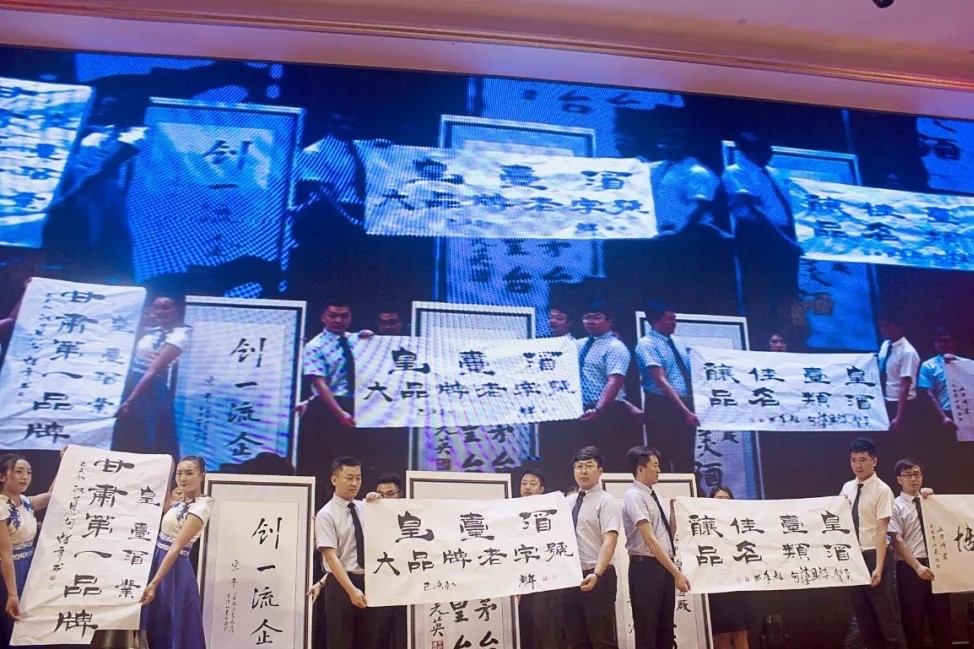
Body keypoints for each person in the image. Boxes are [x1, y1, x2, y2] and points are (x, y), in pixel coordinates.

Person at [722, 131, 801, 346]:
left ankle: (793, 339)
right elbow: (754, 209)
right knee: (760, 290)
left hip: (785, 234)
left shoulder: (776, 174)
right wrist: (784, 239)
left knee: (788, 290)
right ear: (746, 150)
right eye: (760, 148)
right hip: (758, 235)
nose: (767, 152)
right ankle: (762, 340)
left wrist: (793, 236)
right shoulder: (736, 172)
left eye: (768, 148)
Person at [141, 455, 214, 649]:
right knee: (158, 623)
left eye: (189, 473)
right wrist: (167, 470)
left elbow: (175, 548)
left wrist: (154, 583)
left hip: (174, 569)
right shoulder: (182, 503)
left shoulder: (200, 507)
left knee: (172, 625)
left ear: (202, 475)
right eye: (179, 473)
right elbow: (165, 505)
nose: (183, 478)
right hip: (160, 562)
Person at [840, 438, 905, 649]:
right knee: (864, 621)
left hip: (875, 555)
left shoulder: (882, 489)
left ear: (874, 461)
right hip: (854, 558)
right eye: (854, 460)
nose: (858, 465)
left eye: (863, 460)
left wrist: (878, 566)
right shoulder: (847, 488)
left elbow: (881, 529)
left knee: (887, 619)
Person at [622, 446, 690, 649]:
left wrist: (673, 513)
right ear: (640, 469)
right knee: (647, 630)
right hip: (646, 568)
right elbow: (650, 541)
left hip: (663, 567)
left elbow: (666, 535)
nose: (659, 470)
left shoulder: (654, 495)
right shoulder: (634, 496)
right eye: (655, 465)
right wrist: (677, 573)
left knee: (665, 629)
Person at [113, 295, 191, 459]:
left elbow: (153, 370)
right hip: (130, 382)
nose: (159, 311)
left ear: (178, 310)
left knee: (148, 435)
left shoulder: (180, 335)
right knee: (125, 434)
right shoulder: (152, 330)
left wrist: (129, 401)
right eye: (156, 307)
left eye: (165, 307)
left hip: (149, 388)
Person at [562, 446, 621, 649]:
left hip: (598, 577)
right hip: (571, 578)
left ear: (600, 470)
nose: (583, 471)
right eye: (578, 466)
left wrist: (596, 574)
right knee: (575, 641)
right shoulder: (566, 503)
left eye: (589, 466)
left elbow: (610, 540)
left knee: (602, 640)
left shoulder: (606, 501)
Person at [889, 459, 951, 649]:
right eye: (907, 475)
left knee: (943, 623)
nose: (913, 479)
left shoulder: (930, 501)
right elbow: (896, 540)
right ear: (899, 479)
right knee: (913, 625)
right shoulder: (895, 505)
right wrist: (917, 567)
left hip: (937, 566)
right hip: (910, 569)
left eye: (916, 474)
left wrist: (935, 500)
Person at [314, 456, 374, 649]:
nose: (354, 483)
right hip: (340, 585)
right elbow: (331, 557)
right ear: (334, 480)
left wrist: (379, 503)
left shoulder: (366, 507)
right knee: (341, 641)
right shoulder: (326, 514)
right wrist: (351, 590)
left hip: (368, 581)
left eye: (358, 478)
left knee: (369, 640)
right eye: (349, 478)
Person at [636, 302, 699, 474]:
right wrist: (685, 411)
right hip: (661, 406)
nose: (674, 323)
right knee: (661, 457)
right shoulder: (646, 344)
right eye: (669, 319)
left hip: (686, 402)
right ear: (655, 320)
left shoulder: (678, 342)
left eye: (674, 318)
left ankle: (687, 491)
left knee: (685, 457)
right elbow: (661, 381)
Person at [0, 455, 53, 647]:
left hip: (30, 566)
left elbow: (51, 496)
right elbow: (6, 556)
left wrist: (67, 461)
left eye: (28, 472)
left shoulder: (24, 502)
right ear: (2, 477)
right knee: (13, 624)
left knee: (30, 623)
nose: (25, 477)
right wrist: (12, 594)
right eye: (18, 471)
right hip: (10, 572)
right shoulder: (1, 508)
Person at [517, 468, 563, 649]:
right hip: (524, 583)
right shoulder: (512, 513)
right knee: (527, 631)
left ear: (542, 489)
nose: (527, 487)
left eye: (532, 484)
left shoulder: (551, 513)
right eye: (524, 483)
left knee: (547, 631)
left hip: (547, 582)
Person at [708, 486, 750, 649]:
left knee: (741, 632)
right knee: (722, 634)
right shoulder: (705, 525)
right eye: (719, 499)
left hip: (739, 584)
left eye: (727, 499)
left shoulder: (742, 523)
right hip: (717, 586)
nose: (723, 502)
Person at [373, 472, 406, 649]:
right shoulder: (369, 516)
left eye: (390, 494)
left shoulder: (412, 516)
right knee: (380, 638)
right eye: (381, 494)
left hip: (407, 589)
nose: (385, 499)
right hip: (381, 590)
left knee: (404, 638)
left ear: (400, 493)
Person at [877, 314, 920, 434]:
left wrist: (899, 417)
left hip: (901, 404)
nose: (883, 330)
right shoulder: (885, 345)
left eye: (887, 326)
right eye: (882, 327)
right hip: (885, 400)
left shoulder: (908, 352)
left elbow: (904, 386)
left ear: (899, 327)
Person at [917, 328, 964, 434]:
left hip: (965, 411)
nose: (942, 344)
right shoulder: (928, 365)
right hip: (942, 412)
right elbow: (928, 394)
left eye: (946, 341)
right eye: (939, 341)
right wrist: (943, 417)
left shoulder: (968, 364)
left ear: (953, 342)